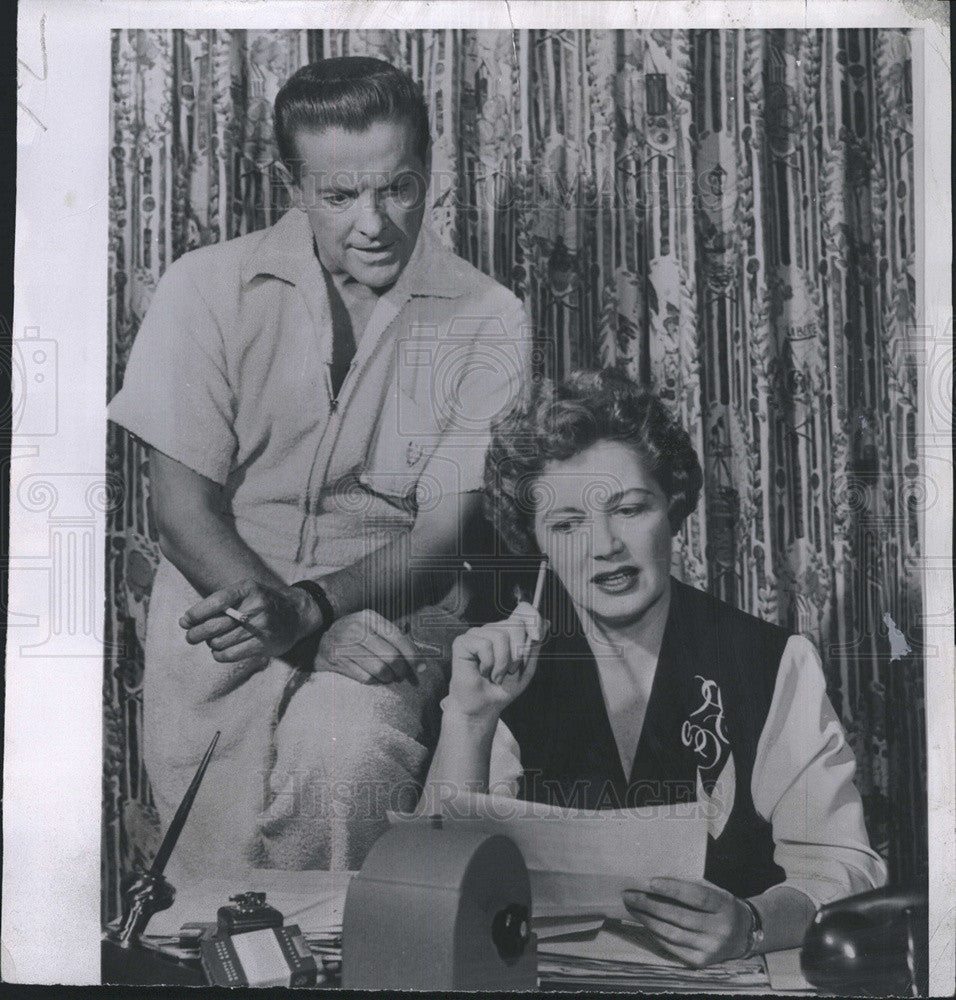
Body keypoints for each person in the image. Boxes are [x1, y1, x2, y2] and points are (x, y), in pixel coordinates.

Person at [108, 57, 528, 877]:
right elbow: (183, 512)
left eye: (398, 189)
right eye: (339, 197)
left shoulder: (488, 316)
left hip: (389, 626)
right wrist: (298, 625)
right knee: (214, 906)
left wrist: (319, 610)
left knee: (349, 762)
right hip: (221, 630)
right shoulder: (205, 289)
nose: (372, 223)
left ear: (431, 167)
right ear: (291, 184)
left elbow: (442, 535)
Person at [422, 368, 887, 967]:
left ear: (672, 504)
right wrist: (469, 720)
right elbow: (430, 887)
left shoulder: (771, 661)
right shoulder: (503, 670)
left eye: (629, 509)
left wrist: (752, 924)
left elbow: (844, 864)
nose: (604, 545)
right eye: (566, 525)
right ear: (533, 540)